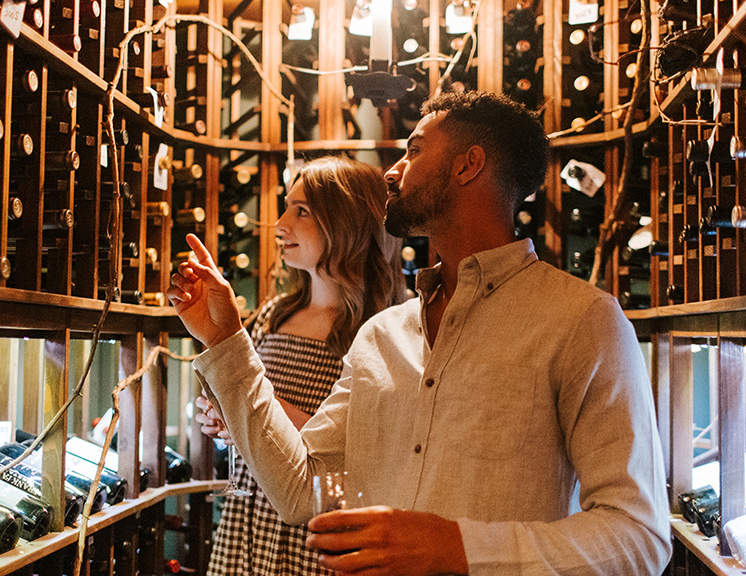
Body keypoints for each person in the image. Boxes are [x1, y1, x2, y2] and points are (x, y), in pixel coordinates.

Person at [169, 91, 672, 576]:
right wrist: (227, 342)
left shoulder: (582, 320)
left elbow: (638, 537)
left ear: (467, 164)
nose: (391, 171)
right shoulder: (381, 336)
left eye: (413, 150)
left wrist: (456, 547)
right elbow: (300, 489)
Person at [195, 156, 405, 576]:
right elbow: (247, 434)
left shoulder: (386, 331)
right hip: (249, 522)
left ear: (346, 223)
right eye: (287, 206)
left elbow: (372, 450)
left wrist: (247, 412)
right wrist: (221, 423)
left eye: (302, 211)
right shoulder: (274, 314)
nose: (280, 223)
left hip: (323, 534)